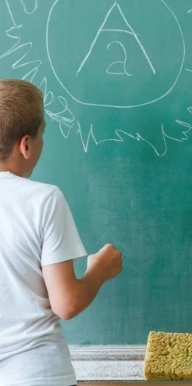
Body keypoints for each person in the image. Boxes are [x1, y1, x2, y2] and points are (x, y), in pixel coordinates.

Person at [0, 79, 123, 386]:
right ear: (26, 145)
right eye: (42, 133)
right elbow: (67, 303)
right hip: (34, 372)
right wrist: (99, 271)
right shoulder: (43, 199)